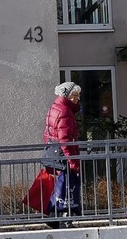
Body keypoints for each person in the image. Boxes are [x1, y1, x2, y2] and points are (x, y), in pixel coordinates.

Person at [44, 82, 82, 228]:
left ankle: (53, 218)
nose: (78, 99)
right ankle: (65, 221)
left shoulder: (55, 107)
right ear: (67, 95)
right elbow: (65, 139)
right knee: (68, 189)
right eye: (75, 95)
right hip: (64, 155)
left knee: (61, 187)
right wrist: (72, 161)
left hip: (56, 154)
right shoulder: (65, 111)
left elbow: (48, 133)